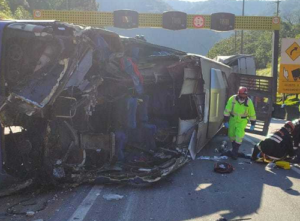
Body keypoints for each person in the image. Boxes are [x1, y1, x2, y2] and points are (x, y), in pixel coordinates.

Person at [223, 86, 256, 160]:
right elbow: (227, 110)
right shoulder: (232, 99)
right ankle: (234, 150)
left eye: (245, 95)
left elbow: (252, 113)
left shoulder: (249, 102)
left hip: (242, 121)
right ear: (239, 94)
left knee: (239, 135)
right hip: (233, 119)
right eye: (242, 94)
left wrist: (253, 123)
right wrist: (225, 120)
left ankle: (234, 152)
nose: (244, 96)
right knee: (231, 135)